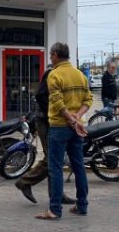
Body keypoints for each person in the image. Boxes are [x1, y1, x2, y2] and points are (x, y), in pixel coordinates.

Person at [36, 42, 93, 220]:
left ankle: (54, 210)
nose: (50, 59)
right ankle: (82, 205)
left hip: (60, 126)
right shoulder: (80, 75)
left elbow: (57, 102)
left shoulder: (55, 75)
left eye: (51, 55)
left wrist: (70, 118)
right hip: (76, 128)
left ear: (54, 55)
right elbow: (88, 99)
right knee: (78, 166)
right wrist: (77, 118)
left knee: (56, 168)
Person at [14, 65, 76, 206]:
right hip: (45, 121)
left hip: (49, 121)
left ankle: (57, 194)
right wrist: (52, 112)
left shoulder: (59, 73)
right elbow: (40, 95)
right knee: (52, 159)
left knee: (55, 158)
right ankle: (24, 182)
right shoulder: (51, 73)